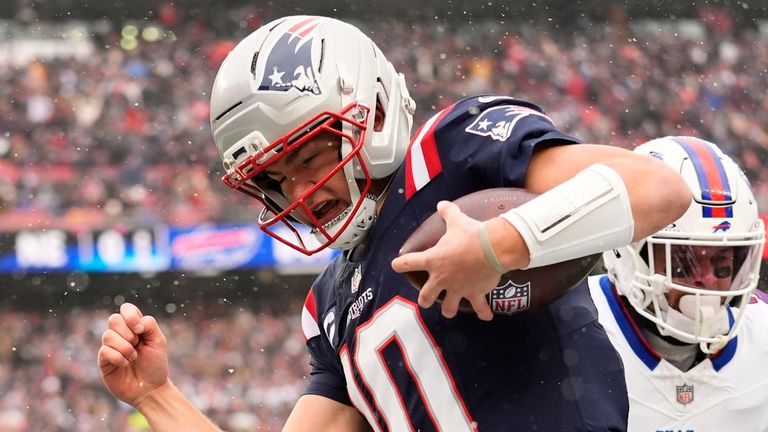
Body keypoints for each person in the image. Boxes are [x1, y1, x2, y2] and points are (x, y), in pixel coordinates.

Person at [98, 16, 692, 431]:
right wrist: (157, 396)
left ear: (376, 110)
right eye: (275, 180)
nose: (301, 192)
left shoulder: (453, 154)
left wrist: (497, 244)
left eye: (309, 157)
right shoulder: (331, 301)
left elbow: (659, 188)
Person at [589, 136, 768, 430]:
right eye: (684, 262)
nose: (708, 280)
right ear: (629, 252)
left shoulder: (761, 336)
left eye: (723, 263)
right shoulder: (572, 329)